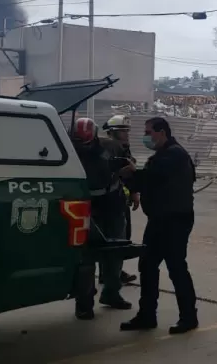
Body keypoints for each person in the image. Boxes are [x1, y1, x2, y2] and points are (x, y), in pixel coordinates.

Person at [119, 117, 199, 335]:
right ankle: (147, 315)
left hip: (174, 220)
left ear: (162, 132)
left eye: (149, 132)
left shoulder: (173, 155)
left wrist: (132, 173)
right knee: (147, 265)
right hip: (160, 219)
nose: (146, 136)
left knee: (176, 267)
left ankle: (188, 317)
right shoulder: (166, 155)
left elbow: (148, 179)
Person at [70, 117, 132, 320]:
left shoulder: (111, 147)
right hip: (84, 207)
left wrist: (134, 189)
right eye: (81, 142)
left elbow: (128, 167)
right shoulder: (68, 149)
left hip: (112, 204)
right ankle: (84, 303)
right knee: (86, 257)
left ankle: (111, 293)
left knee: (116, 252)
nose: (84, 146)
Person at [102, 114, 137, 285]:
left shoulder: (123, 148)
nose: (127, 134)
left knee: (118, 237)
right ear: (113, 132)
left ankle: (110, 272)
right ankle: (111, 275)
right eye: (123, 130)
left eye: (127, 130)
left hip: (120, 198)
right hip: (110, 200)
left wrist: (134, 192)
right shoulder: (109, 148)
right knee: (116, 238)